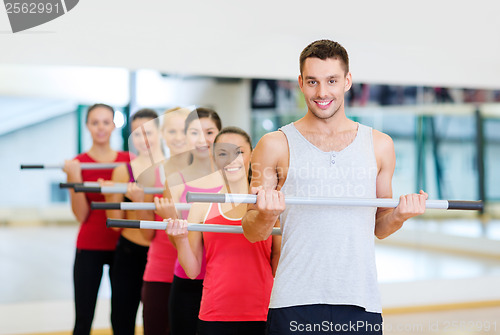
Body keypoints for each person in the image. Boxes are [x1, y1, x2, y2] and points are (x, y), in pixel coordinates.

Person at [241, 39, 429, 335]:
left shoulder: (380, 145)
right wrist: (265, 215)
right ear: (301, 83)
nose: (322, 92)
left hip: (360, 299)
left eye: (332, 81)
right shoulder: (274, 145)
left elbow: (380, 226)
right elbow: (252, 231)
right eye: (313, 81)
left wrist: (400, 215)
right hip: (293, 300)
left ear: (347, 81)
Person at [162, 127, 280, 335]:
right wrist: (180, 240)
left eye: (239, 152)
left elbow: (278, 263)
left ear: (251, 154)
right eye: (223, 153)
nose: (231, 160)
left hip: (262, 312)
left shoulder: (267, 204)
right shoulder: (202, 206)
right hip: (215, 313)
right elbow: (192, 271)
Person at [63, 103, 130, 335]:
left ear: (113, 126)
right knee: (83, 317)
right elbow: (81, 215)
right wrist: (75, 181)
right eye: (95, 122)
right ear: (87, 126)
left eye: (106, 122)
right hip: (90, 244)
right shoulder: (77, 163)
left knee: (122, 318)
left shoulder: (129, 161)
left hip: (123, 245)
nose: (100, 127)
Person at [160, 107, 224, 335]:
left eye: (209, 132)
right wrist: (171, 220)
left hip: (224, 280)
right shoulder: (175, 181)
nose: (202, 139)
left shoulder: (234, 177)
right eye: (195, 132)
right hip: (188, 278)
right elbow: (174, 242)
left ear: (220, 134)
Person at [105, 108, 164, 335]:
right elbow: (117, 223)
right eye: (137, 134)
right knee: (122, 318)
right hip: (129, 253)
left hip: (160, 256)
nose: (143, 139)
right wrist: (112, 195)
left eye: (148, 132)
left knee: (157, 320)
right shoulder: (123, 171)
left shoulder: (171, 172)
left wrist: (141, 201)